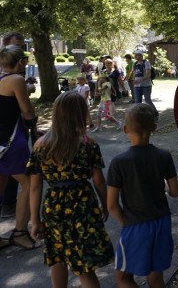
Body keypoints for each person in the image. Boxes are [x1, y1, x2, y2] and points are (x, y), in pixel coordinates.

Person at [26, 91, 114, 287]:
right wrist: (106, 205)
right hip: (83, 206)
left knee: (57, 258)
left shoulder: (41, 146)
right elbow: (99, 181)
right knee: (85, 267)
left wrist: (35, 221)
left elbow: (35, 187)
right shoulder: (88, 145)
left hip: (54, 208)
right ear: (81, 114)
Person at [107, 103, 178, 288]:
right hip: (162, 222)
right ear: (154, 128)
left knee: (123, 277)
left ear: (125, 129)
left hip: (136, 225)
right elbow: (176, 192)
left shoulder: (119, 163)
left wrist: (125, 222)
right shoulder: (164, 156)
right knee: (156, 278)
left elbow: (111, 205)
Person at [0, 45, 41, 250]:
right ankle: (20, 232)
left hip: (1, 142)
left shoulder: (2, 80)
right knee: (29, 183)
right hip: (11, 141)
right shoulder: (16, 80)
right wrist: (36, 131)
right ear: (20, 62)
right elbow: (27, 111)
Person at [132, 50, 159, 121]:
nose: (136, 56)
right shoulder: (134, 64)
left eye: (137, 55)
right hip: (137, 86)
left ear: (141, 55)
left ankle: (155, 114)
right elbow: (134, 74)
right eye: (135, 55)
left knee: (148, 100)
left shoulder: (146, 63)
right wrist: (134, 80)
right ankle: (139, 117)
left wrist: (140, 80)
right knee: (137, 102)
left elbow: (148, 74)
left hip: (146, 85)